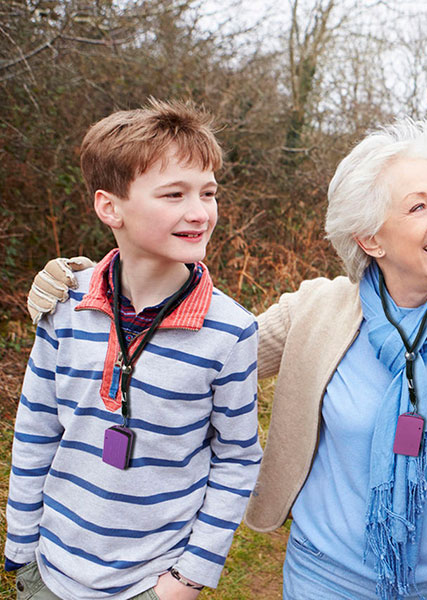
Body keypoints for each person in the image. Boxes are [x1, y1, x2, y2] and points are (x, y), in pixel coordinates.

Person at [24, 119, 427, 599]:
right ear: (370, 238)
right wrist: (88, 285)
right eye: (419, 206)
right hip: (320, 578)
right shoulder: (314, 311)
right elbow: (184, 347)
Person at [3, 100, 263, 600]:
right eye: (174, 194)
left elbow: (236, 458)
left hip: (151, 583)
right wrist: (22, 548)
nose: (199, 212)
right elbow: (36, 427)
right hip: (49, 570)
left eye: (208, 193)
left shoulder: (231, 331)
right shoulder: (63, 302)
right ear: (110, 207)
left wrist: (189, 578)